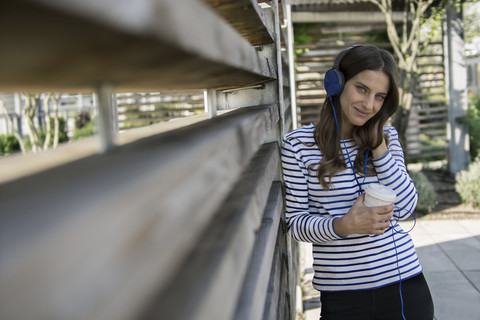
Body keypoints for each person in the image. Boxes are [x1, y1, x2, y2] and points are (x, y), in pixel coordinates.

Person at [281, 44, 434, 320]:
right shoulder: (298, 146)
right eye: (362, 89)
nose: (369, 105)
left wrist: (378, 146)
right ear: (336, 84)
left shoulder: (388, 139)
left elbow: (406, 208)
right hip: (343, 296)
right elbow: (296, 225)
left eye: (379, 96)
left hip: (404, 285)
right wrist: (344, 225)